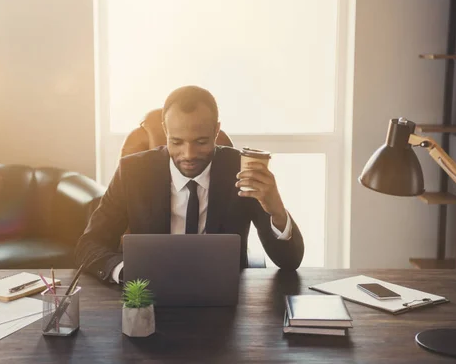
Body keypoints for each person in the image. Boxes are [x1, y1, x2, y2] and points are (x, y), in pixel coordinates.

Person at [75, 85, 304, 283]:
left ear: (216, 131)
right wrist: (126, 271)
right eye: (177, 142)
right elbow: (90, 245)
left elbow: (289, 262)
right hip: (150, 298)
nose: (189, 154)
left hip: (223, 300)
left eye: (201, 142)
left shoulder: (240, 170)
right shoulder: (133, 172)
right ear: (165, 131)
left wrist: (276, 210)